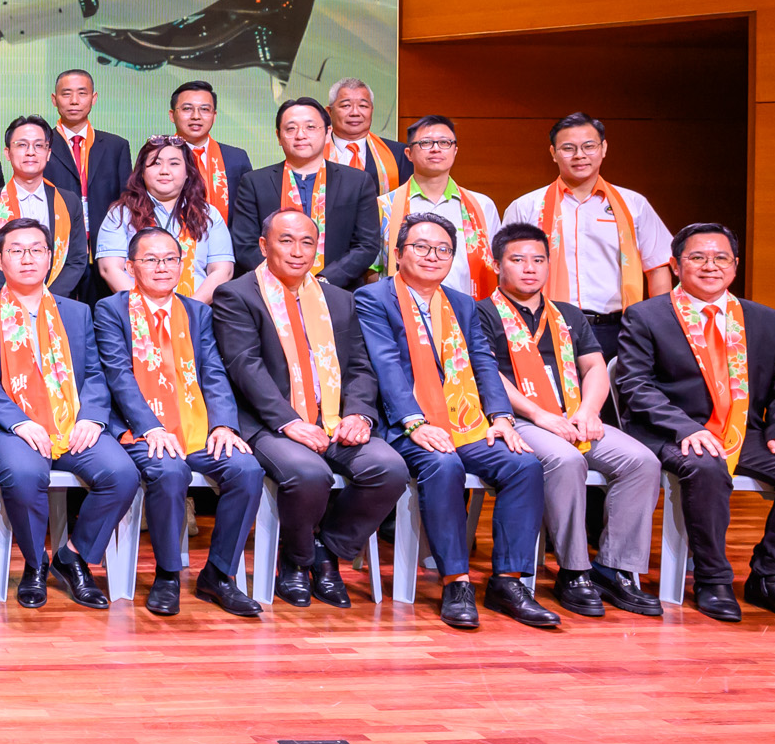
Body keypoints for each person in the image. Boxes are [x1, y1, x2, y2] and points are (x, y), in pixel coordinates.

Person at [357, 212, 556, 630]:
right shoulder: (373, 299)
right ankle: (456, 583)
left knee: (524, 465)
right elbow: (386, 365)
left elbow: (483, 362)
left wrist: (501, 417)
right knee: (443, 464)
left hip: (464, 421)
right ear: (398, 253)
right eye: (421, 247)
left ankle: (508, 582)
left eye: (443, 249)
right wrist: (415, 422)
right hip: (403, 424)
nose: (432, 256)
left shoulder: (462, 304)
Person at [211, 209, 410, 610]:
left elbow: (360, 366)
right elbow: (245, 367)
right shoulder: (237, 295)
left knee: (389, 469)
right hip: (270, 422)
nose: (297, 251)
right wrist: (289, 422)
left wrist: (359, 414)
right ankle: (296, 561)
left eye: (307, 242)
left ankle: (326, 551)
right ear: (264, 246)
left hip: (333, 417)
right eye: (286, 241)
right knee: (308, 473)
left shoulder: (338, 299)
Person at [474, 224, 663, 619]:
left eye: (538, 260)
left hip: (573, 416)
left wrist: (588, 411)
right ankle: (574, 571)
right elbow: (487, 374)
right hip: (518, 420)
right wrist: (540, 415)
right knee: (566, 460)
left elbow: (594, 367)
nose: (530, 268)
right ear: (497, 264)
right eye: (517, 259)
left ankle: (614, 568)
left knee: (642, 462)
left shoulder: (569, 315)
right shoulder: (481, 313)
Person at [612, 222, 775, 622]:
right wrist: (686, 428)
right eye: (697, 257)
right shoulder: (646, 316)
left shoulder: (767, 320)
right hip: (671, 431)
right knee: (705, 466)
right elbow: (635, 386)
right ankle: (713, 579)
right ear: (676, 265)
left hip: (742, 430)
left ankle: (770, 574)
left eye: (721, 258)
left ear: (735, 265)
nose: (711, 266)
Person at [95, 226, 264, 617]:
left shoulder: (197, 311)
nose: (162, 267)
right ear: (130, 266)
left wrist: (223, 425)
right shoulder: (112, 310)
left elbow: (214, 373)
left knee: (247, 469)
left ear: (182, 265)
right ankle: (168, 575)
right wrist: (151, 426)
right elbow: (118, 375)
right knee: (170, 472)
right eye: (151, 260)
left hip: (196, 426)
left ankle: (219, 575)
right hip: (142, 430)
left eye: (170, 259)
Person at [0, 218, 131, 611]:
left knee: (122, 473)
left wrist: (91, 417)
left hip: (73, 421)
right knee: (24, 475)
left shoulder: (77, 312)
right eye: (16, 251)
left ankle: (73, 555)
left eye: (36, 250)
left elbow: (95, 373)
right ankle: (35, 562)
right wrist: (20, 422)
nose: (27, 259)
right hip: (13, 426)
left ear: (50, 258)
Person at [502, 112, 674, 355]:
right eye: (568, 148)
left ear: (604, 149)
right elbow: (507, 271)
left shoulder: (633, 204)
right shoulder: (526, 206)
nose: (579, 155)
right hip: (544, 324)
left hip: (618, 327)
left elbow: (657, 268)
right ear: (553, 153)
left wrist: (659, 328)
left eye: (588, 146)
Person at [229, 98, 380, 290]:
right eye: (291, 128)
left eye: (310, 127)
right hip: (269, 291)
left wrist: (324, 281)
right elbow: (245, 244)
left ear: (328, 133)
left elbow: (366, 245)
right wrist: (280, 279)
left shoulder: (357, 182)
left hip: (338, 291)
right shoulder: (254, 182)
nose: (300, 135)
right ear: (278, 136)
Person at [96, 135, 234, 302]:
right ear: (142, 172)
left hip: (196, 310)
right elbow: (110, 269)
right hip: (135, 311)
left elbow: (222, 270)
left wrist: (190, 310)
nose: (164, 171)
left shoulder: (208, 214)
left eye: (174, 163)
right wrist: (145, 308)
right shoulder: (120, 214)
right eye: (156, 163)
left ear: (188, 172)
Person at [375, 116, 499, 297]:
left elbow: (498, 265)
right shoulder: (384, 205)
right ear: (409, 154)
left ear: (455, 151)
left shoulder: (482, 205)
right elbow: (373, 270)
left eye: (444, 143)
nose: (436, 148)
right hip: (401, 309)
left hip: (470, 309)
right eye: (426, 143)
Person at [43, 68, 134, 297]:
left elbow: (128, 201)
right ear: (54, 99)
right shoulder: (42, 146)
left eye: (82, 93)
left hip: (106, 255)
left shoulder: (116, 146)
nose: (74, 100)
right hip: (56, 254)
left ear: (94, 98)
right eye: (66, 94)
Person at [0, 115, 85, 300]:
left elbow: (76, 260)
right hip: (3, 304)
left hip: (57, 303)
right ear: (7, 153)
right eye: (22, 145)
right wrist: (18, 298)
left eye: (39, 145)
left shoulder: (69, 201)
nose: (30, 152)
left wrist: (45, 299)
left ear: (48, 153)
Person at [168, 80, 252, 226]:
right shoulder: (157, 156)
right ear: (172, 115)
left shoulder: (236, 158)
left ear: (214, 115)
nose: (196, 116)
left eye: (205, 109)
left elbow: (247, 213)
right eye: (187, 109)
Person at [325, 76, 410, 190]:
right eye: (346, 106)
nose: (355, 113)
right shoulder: (313, 152)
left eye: (363, 106)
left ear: (371, 110)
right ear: (329, 112)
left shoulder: (398, 154)